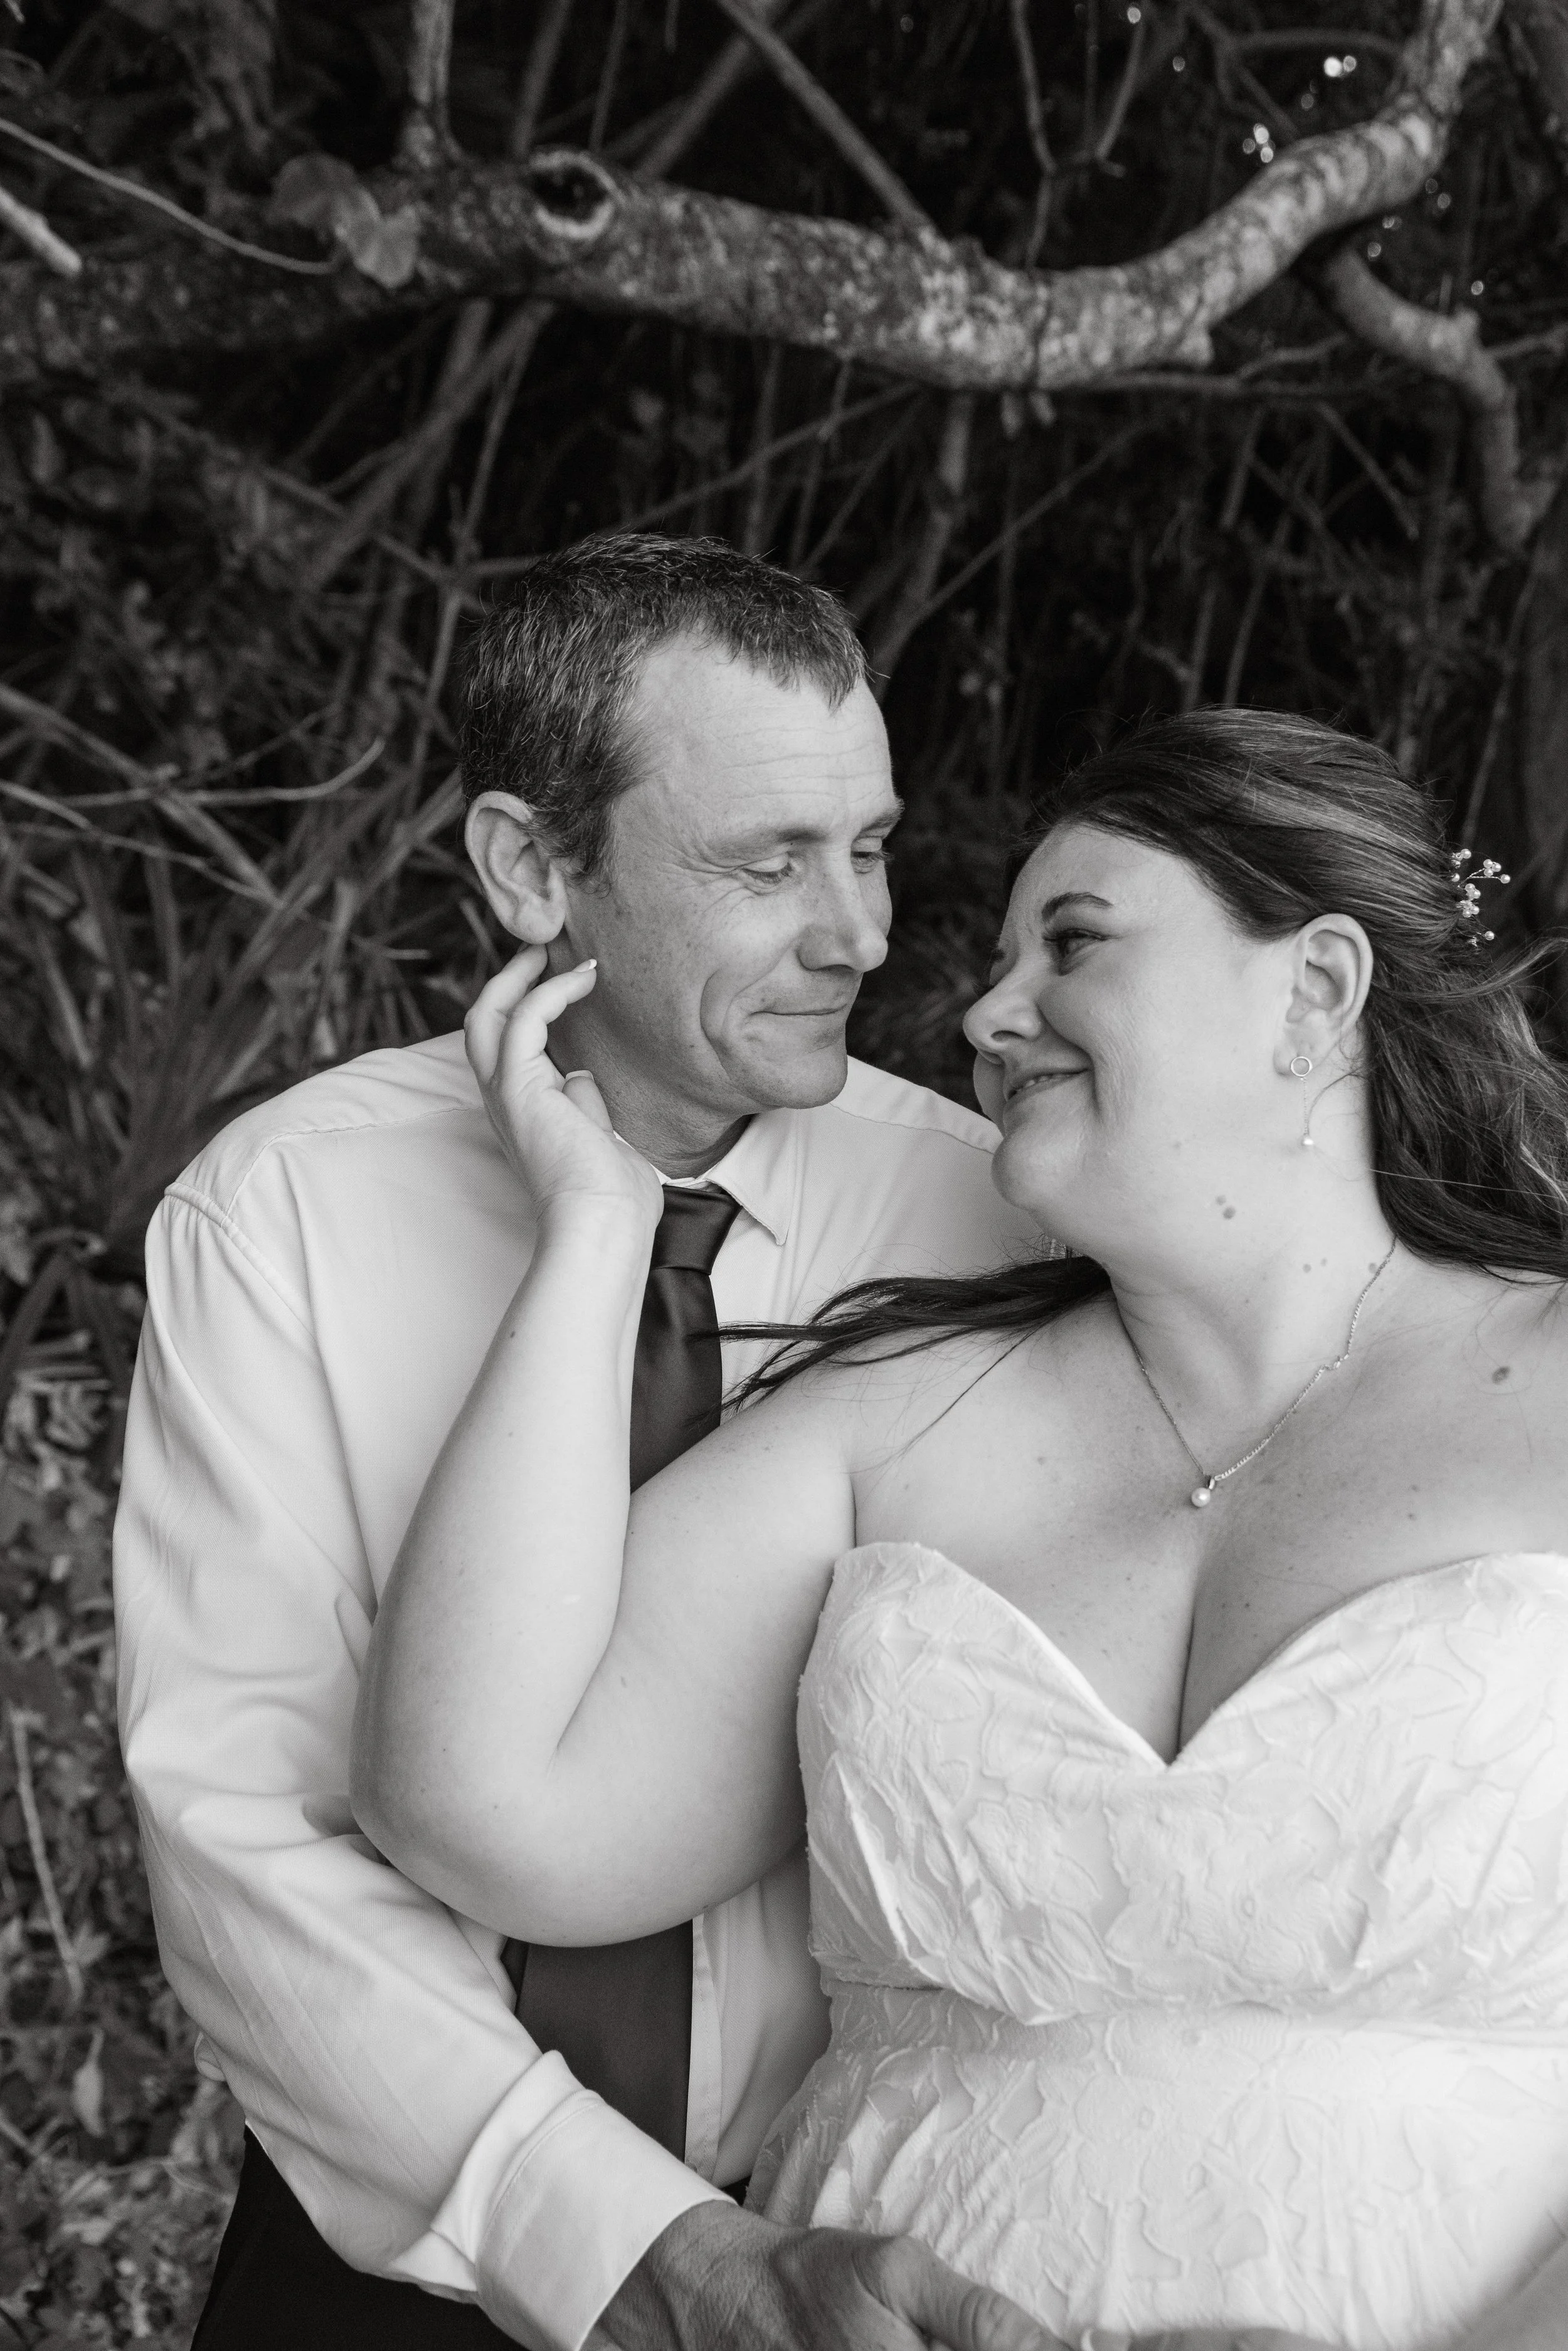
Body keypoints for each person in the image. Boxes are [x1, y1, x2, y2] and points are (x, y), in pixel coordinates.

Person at [355, 709, 1568, 2351]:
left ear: (1316, 992)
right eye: (998, 961)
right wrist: (593, 1225)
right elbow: (483, 1808)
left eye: (1072, 942)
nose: (988, 1016)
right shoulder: (893, 1419)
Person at [114, 534, 1058, 2351]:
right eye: (765, 861)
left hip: (872, 2256)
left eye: (866, 845)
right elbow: (242, 1825)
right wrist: (638, 2245)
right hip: (406, 2242)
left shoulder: (987, 1225)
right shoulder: (284, 1216)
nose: (859, 932)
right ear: (531, 868)